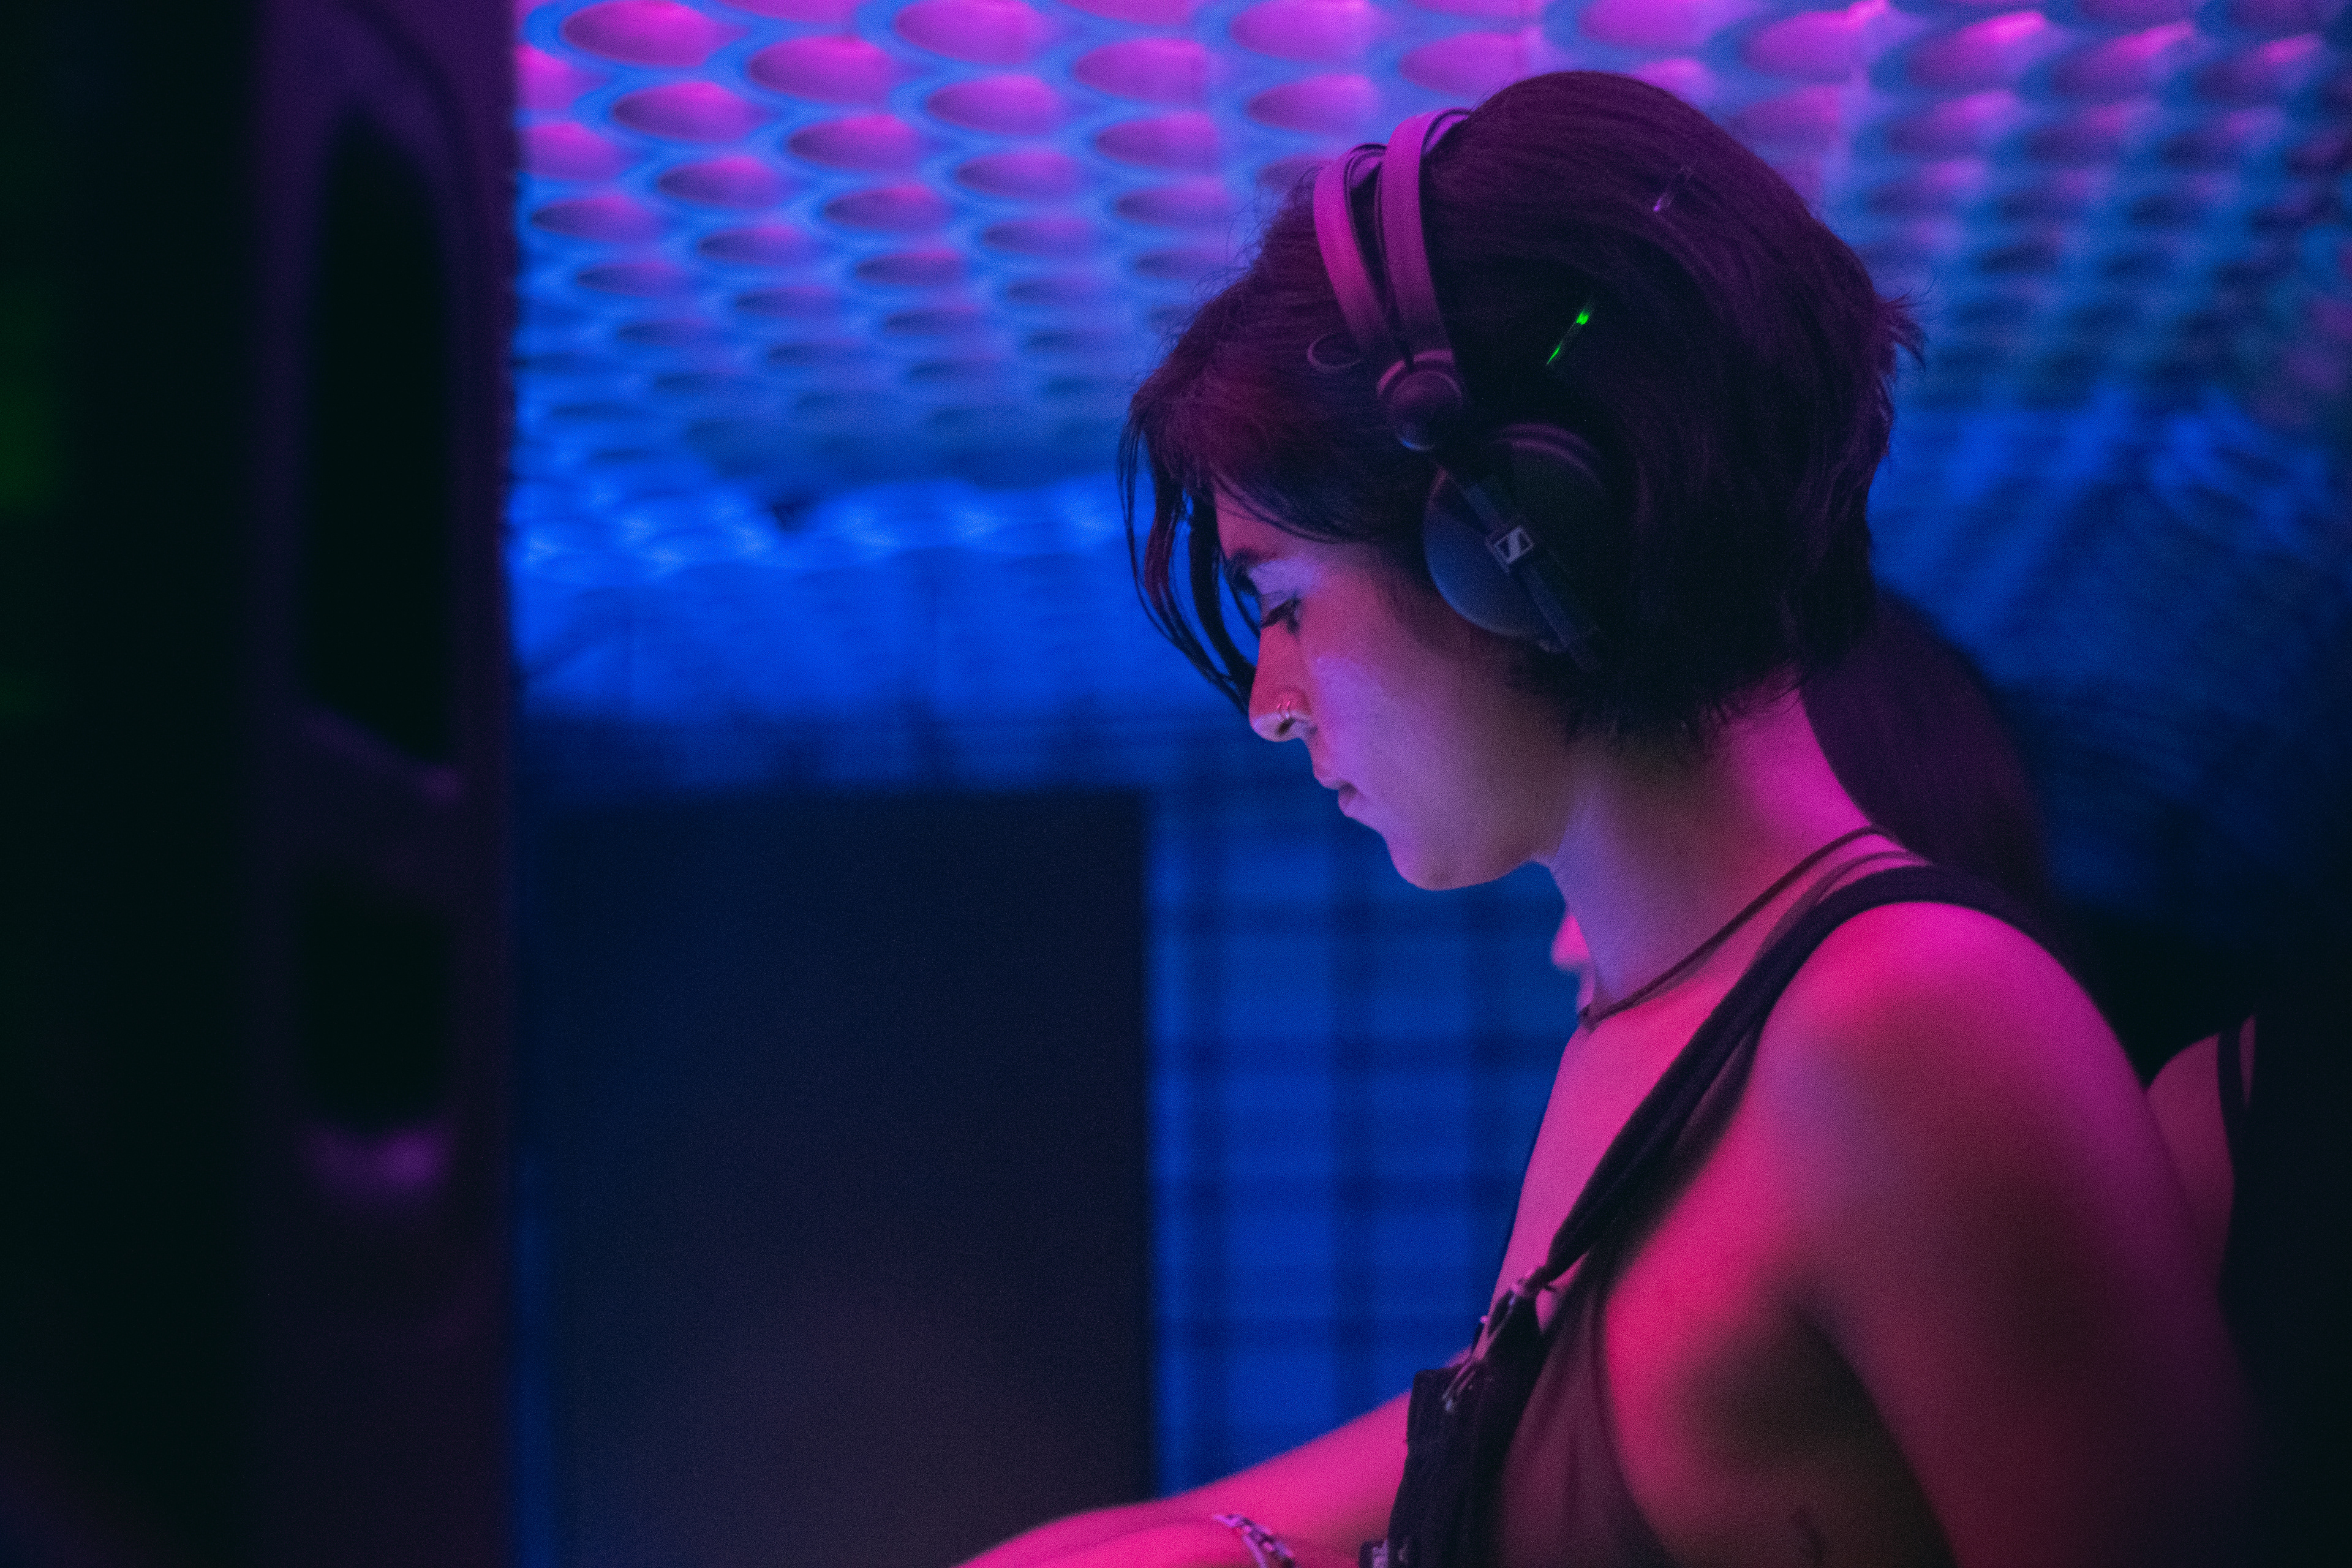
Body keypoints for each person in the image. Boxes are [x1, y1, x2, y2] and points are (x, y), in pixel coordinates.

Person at [963, 72, 2244, 1568]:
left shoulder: (1911, 1025)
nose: (1271, 701)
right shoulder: (1661, 1021)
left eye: (1287, 603)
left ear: (1510, 539)